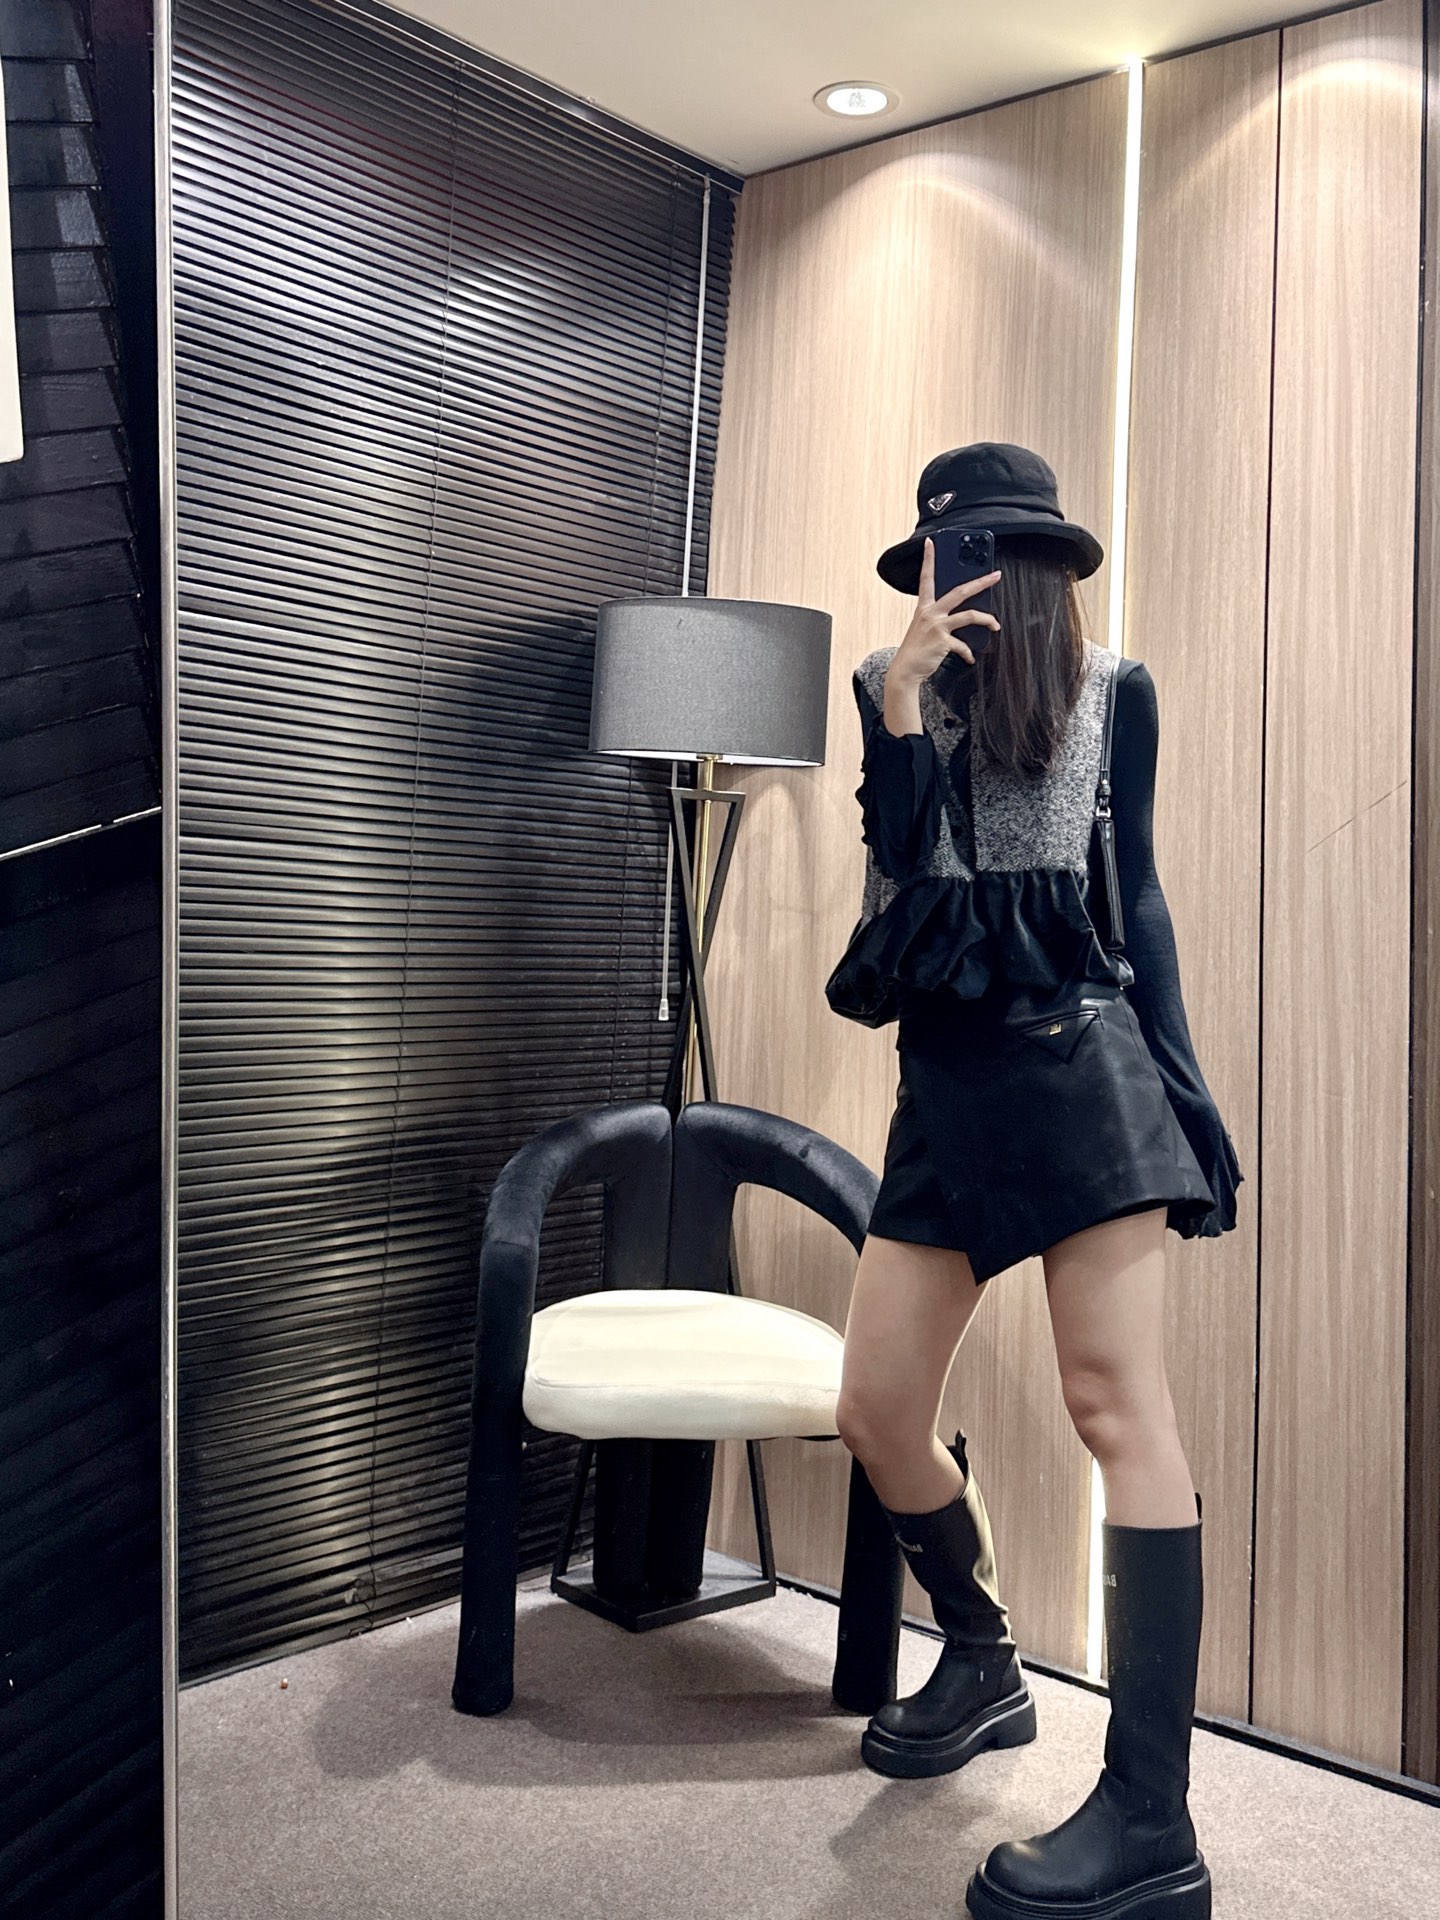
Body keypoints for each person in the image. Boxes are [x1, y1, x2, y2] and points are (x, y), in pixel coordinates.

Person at [823, 444, 1241, 1920]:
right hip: (944, 1080)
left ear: (1044, 567)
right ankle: (985, 1657)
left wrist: (1185, 1086)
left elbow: (1139, 895)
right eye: (946, 558)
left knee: (1117, 1407)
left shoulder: (1114, 691)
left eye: (993, 555)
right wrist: (896, 710)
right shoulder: (888, 682)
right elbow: (903, 877)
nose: (966, 583)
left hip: (1080, 1060)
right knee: (876, 1408)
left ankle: (1151, 1819)